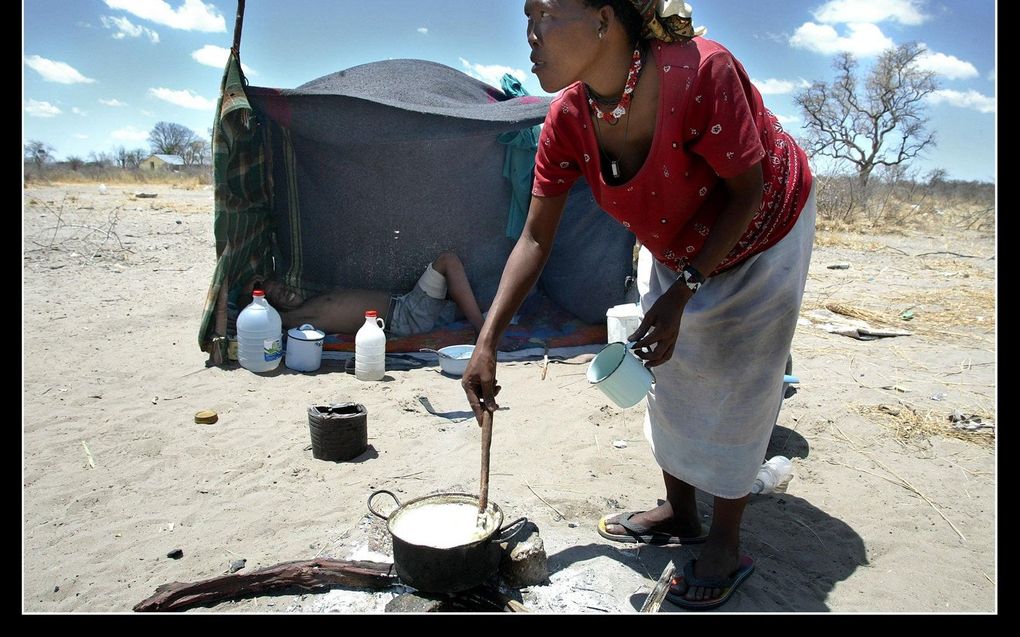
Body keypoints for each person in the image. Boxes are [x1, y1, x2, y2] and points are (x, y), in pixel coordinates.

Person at [461, 0, 816, 610]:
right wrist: (487, 341)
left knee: (740, 375)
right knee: (663, 369)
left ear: (604, 19)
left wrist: (686, 290)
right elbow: (535, 237)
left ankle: (726, 540)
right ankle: (682, 512)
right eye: (526, 17)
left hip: (763, 227)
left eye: (544, 14)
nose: (530, 33)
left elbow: (747, 191)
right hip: (677, 242)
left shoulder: (703, 72)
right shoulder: (568, 118)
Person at [262, 251, 485, 338]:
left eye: (283, 287)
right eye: (279, 296)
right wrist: (253, 291)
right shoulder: (294, 318)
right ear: (272, 308)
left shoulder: (311, 301)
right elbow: (256, 311)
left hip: (405, 307)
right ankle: (482, 333)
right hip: (404, 317)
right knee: (448, 260)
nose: (287, 292)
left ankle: (485, 321)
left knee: (477, 301)